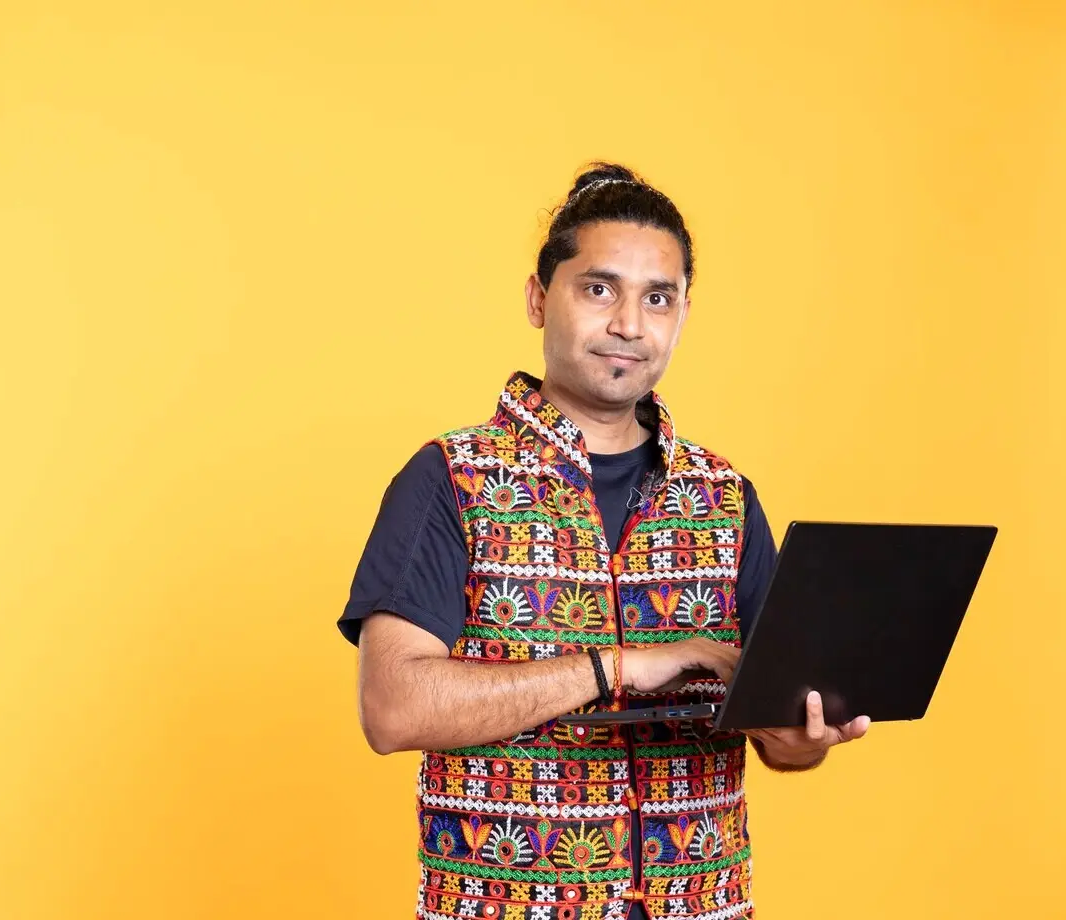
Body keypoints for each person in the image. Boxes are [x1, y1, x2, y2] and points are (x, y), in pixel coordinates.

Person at [337, 163, 871, 920]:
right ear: (537, 299)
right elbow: (393, 708)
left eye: (658, 298)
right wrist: (615, 666)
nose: (629, 323)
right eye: (599, 289)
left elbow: (778, 739)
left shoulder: (723, 498)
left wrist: (808, 735)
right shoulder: (449, 481)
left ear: (683, 314)